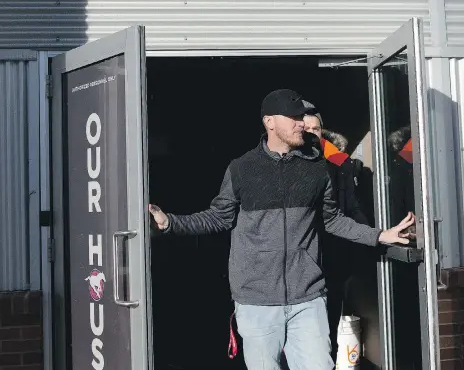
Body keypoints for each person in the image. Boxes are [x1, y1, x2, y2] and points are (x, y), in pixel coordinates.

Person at [149, 89, 415, 370]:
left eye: (302, 117)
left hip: (308, 299)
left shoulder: (316, 170)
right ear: (270, 122)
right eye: (294, 117)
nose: (301, 123)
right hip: (257, 303)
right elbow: (218, 217)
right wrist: (171, 223)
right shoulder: (242, 169)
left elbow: (333, 219)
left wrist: (379, 235)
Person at [302, 102, 370, 362]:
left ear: (322, 130)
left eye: (315, 128)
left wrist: (374, 237)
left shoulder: (339, 162)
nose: (310, 132)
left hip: (333, 253)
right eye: (305, 127)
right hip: (299, 257)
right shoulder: (283, 162)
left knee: (329, 321)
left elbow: (352, 208)